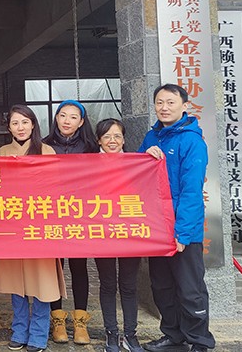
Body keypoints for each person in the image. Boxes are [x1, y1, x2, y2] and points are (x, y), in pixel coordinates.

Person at [138, 85, 215, 352]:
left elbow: (192, 191)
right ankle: (173, 335)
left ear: (184, 106)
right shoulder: (152, 137)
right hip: (157, 227)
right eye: (159, 102)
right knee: (162, 286)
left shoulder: (192, 141)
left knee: (190, 288)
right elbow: (136, 173)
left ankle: (199, 341)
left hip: (183, 230)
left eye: (171, 102)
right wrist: (144, 155)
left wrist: (182, 232)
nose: (164, 107)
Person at [0, 105, 63, 352]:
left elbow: (55, 188)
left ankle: (38, 335)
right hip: (12, 226)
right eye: (15, 123)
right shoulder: (2, 153)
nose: (20, 127)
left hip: (39, 226)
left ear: (33, 124)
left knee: (42, 282)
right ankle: (20, 330)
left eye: (25, 122)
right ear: (9, 127)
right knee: (16, 282)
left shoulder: (46, 151)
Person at [42, 100, 99, 345]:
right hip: (51, 214)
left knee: (79, 267)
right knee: (55, 268)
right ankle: (57, 320)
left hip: (80, 216)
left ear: (82, 121)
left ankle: (80, 321)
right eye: (63, 115)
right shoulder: (43, 146)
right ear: (56, 118)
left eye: (73, 117)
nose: (67, 121)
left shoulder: (91, 148)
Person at [92, 119, 144, 352]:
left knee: (129, 285)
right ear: (99, 140)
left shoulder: (137, 163)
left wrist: (153, 154)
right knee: (108, 284)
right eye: (107, 136)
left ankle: (130, 334)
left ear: (123, 139)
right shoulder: (88, 165)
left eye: (117, 136)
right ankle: (111, 333)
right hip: (102, 233)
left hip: (129, 233)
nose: (112, 141)